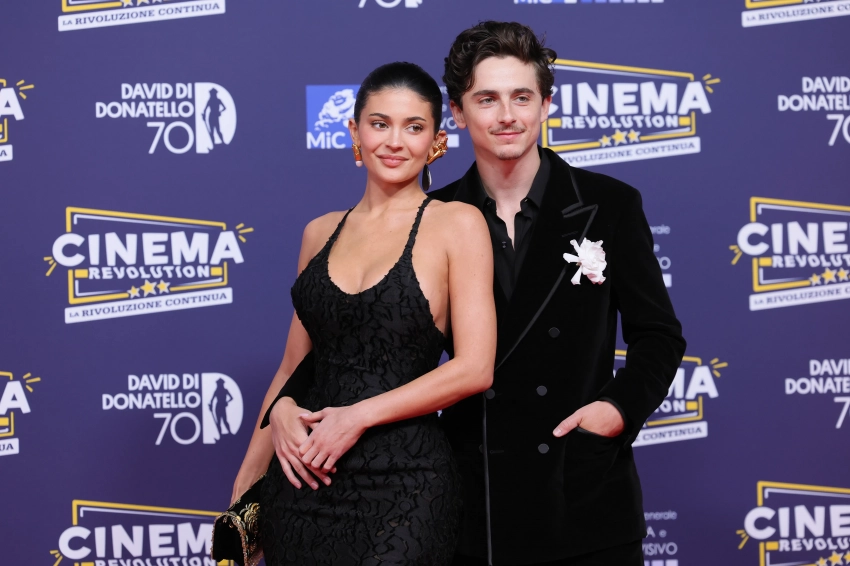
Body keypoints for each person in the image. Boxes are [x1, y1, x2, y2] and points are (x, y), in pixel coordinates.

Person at [268, 21, 687, 566]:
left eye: (522, 97)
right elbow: (352, 341)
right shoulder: (432, 219)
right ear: (459, 114)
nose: (507, 115)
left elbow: (658, 337)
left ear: (546, 104)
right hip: (476, 497)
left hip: (581, 489)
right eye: (487, 99)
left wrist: (615, 410)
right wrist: (285, 409)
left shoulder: (609, 205)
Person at [231, 62, 497, 566]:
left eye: (413, 127)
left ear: (436, 141)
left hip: (407, 484)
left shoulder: (457, 224)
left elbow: (474, 368)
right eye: (380, 124)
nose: (394, 141)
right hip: (303, 478)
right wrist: (251, 473)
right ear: (355, 131)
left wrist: (357, 417)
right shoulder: (319, 232)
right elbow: (293, 367)